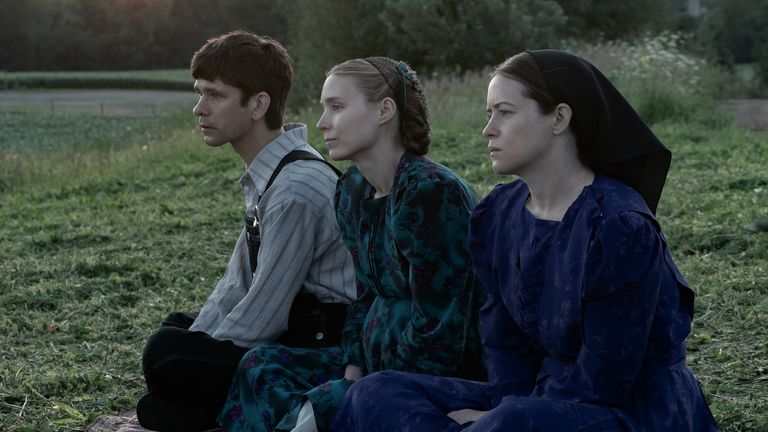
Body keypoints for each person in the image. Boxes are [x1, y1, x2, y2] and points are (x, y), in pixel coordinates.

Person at [333, 50, 720, 431]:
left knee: (514, 421)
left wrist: (502, 415)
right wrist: (500, 406)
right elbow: (505, 348)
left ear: (559, 118)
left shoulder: (618, 225)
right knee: (376, 391)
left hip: (630, 409)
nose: (489, 129)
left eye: (505, 112)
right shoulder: (498, 214)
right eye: (489, 114)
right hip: (532, 397)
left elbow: (605, 379)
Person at [217, 57, 486, 432]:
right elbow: (363, 298)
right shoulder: (352, 190)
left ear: (384, 110)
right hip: (372, 363)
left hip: (434, 373)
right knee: (261, 365)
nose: (322, 122)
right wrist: (353, 370)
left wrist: (365, 389)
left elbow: (442, 327)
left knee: (335, 403)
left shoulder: (430, 193)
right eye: (324, 108)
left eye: (337, 107)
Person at [136, 31, 356, 431]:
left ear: (257, 104)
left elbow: (264, 315)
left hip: (318, 347)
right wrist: (200, 340)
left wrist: (196, 356)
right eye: (199, 93)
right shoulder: (272, 173)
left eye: (215, 96)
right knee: (175, 331)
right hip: (290, 326)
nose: (199, 109)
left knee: (164, 354)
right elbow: (236, 285)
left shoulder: (296, 188)